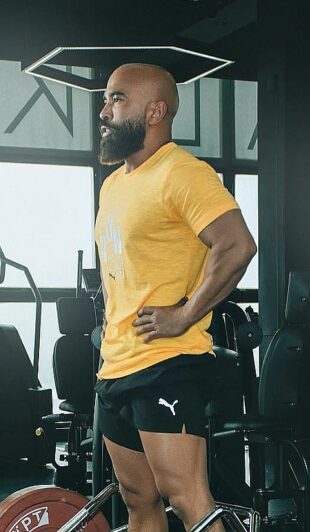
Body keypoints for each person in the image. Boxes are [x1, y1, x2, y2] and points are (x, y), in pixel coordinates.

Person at [95, 63, 257, 531]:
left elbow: (237, 245)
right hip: (117, 364)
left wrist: (184, 315)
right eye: (106, 100)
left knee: (187, 499)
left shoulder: (183, 173)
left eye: (117, 99)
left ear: (155, 112)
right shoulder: (114, 184)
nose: (104, 111)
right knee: (138, 501)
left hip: (167, 363)